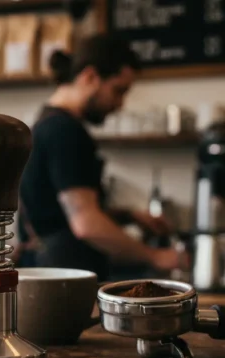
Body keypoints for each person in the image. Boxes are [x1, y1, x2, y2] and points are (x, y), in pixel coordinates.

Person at [18, 34, 186, 280]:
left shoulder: (47, 123)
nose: (120, 104)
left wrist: (129, 215)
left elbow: (58, 211)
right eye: (119, 90)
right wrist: (156, 256)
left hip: (50, 269)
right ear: (90, 77)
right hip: (62, 275)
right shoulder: (64, 130)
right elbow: (86, 224)